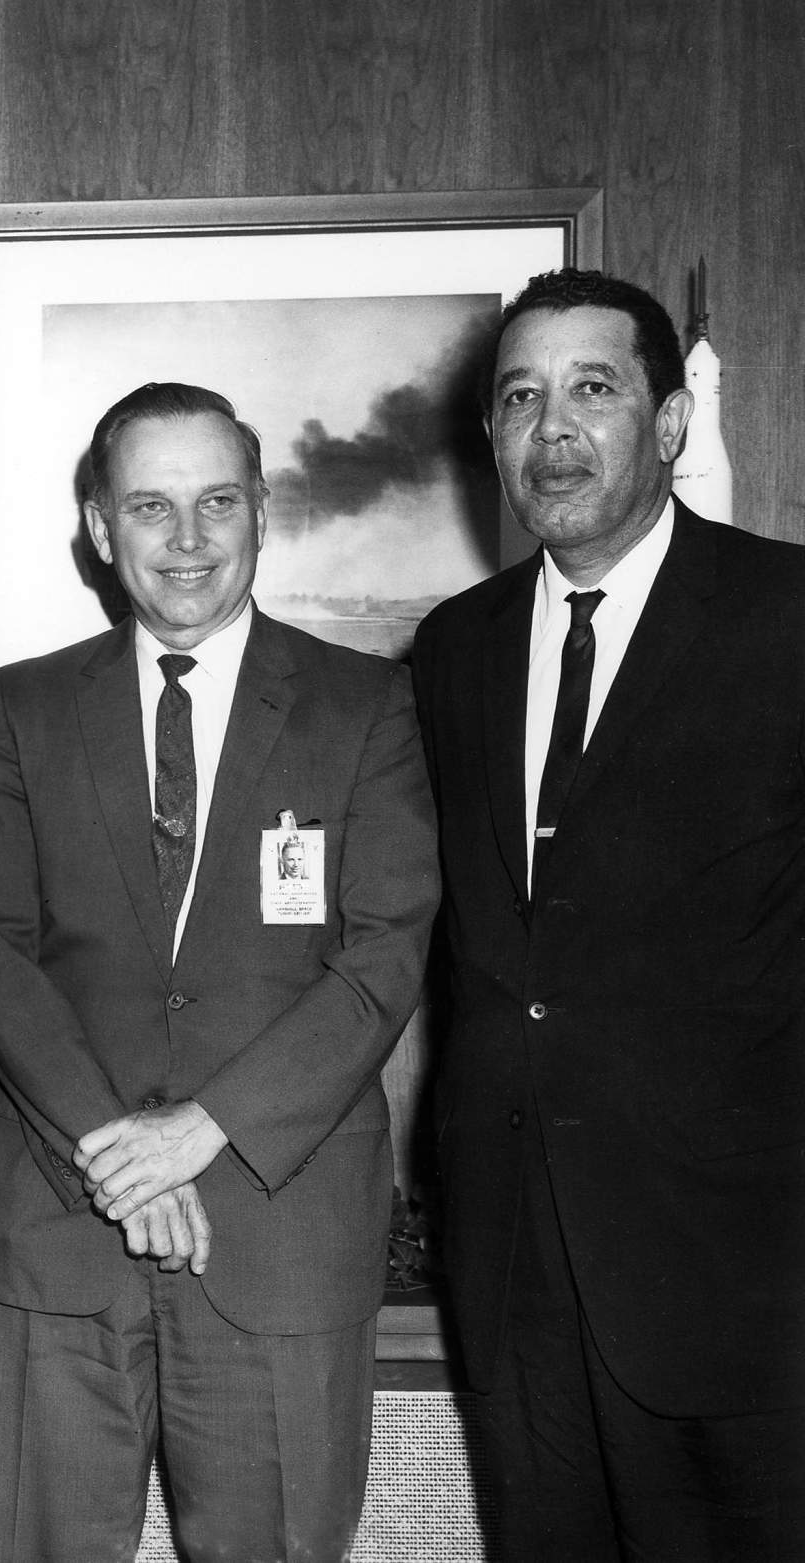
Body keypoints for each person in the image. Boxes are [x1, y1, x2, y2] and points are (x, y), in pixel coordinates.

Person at [0, 382, 438, 1561]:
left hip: (278, 1237)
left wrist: (202, 1130)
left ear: (261, 514)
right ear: (96, 526)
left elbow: (382, 959)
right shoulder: (17, 710)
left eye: (216, 501)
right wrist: (124, 1157)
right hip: (66, 1223)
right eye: (150, 506)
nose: (185, 540)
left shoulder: (363, 706)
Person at [412, 268, 805, 1560]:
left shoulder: (786, 618)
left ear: (675, 421)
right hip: (516, 1269)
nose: (553, 429)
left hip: (741, 1280)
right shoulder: (452, 651)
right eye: (519, 397)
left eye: (593, 388)